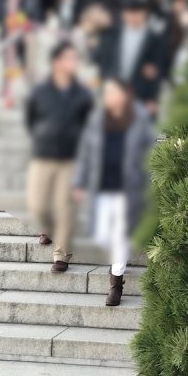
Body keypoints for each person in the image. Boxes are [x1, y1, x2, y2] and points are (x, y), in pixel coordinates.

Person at [73, 80, 156, 306]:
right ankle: (118, 259)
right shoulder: (97, 120)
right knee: (102, 234)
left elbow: (151, 155)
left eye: (113, 92)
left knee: (120, 234)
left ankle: (115, 284)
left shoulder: (139, 121)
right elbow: (86, 152)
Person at [25, 42, 94, 273]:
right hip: (43, 154)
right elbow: (31, 119)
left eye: (75, 59)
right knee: (38, 206)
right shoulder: (40, 91)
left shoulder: (83, 95)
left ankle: (61, 255)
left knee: (66, 206)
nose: (72, 63)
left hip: (71, 157)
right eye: (67, 59)